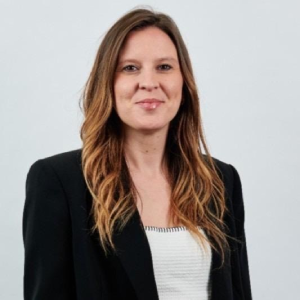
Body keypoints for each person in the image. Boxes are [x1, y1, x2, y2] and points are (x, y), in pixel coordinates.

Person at [23, 7, 252, 300]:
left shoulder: (220, 180)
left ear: (184, 82)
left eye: (165, 67)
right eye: (130, 68)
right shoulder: (59, 181)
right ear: (108, 83)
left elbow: (240, 291)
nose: (149, 82)